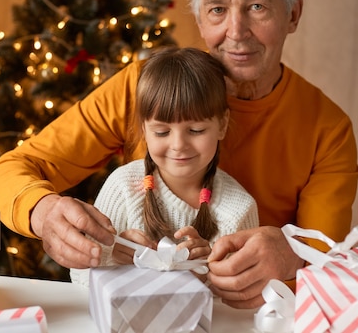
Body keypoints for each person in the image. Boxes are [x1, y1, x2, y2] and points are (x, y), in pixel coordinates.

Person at [0, 0, 358, 309]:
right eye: (217, 10)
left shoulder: (328, 129)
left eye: (257, 7)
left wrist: (293, 255)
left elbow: (328, 257)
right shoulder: (139, 89)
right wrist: (42, 212)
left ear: (292, 14)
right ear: (198, 16)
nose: (236, 32)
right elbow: (9, 171)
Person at [69, 47, 259, 287]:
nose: (178, 145)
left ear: (222, 124)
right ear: (144, 129)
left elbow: (245, 298)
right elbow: (79, 280)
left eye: (196, 130)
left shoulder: (239, 209)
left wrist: (208, 273)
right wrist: (113, 258)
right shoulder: (122, 188)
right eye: (162, 132)